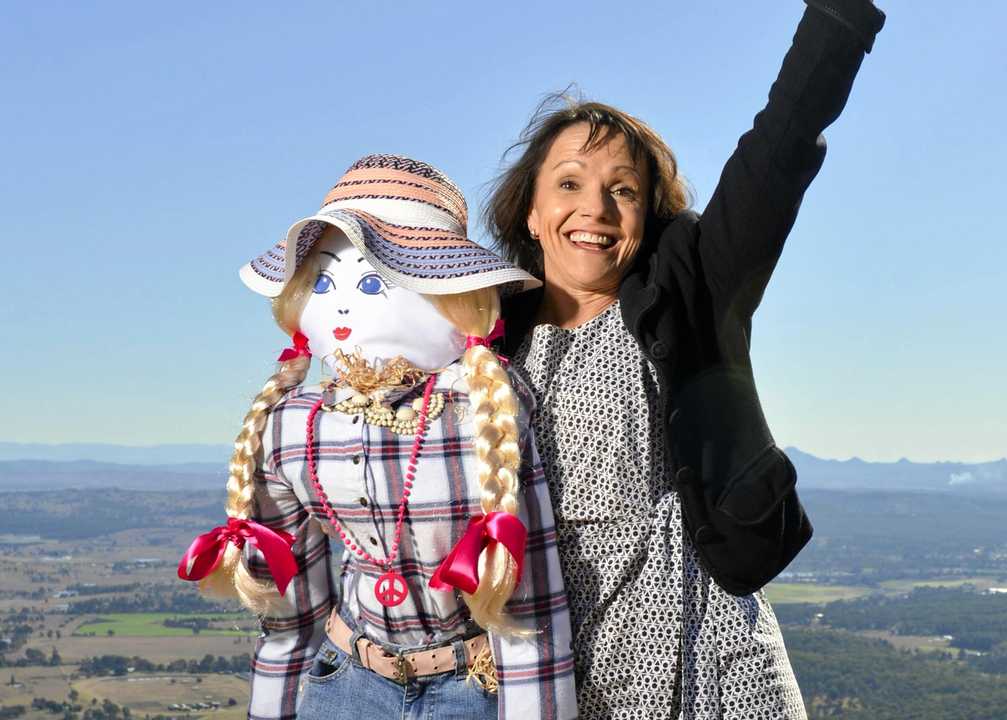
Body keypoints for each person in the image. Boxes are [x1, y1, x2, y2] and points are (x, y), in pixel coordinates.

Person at [484, 1, 885, 716]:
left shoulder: (692, 290)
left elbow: (780, 148)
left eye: (624, 190)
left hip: (707, 657)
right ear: (531, 212)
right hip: (551, 663)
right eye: (570, 183)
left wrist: (838, 18)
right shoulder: (487, 338)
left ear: (648, 214)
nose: (597, 208)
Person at [178, 155, 577, 719]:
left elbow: (529, 609)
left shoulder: (483, 411)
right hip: (344, 684)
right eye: (323, 279)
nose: (341, 303)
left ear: (452, 295)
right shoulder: (293, 427)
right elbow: (289, 613)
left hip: (469, 690)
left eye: (370, 281)